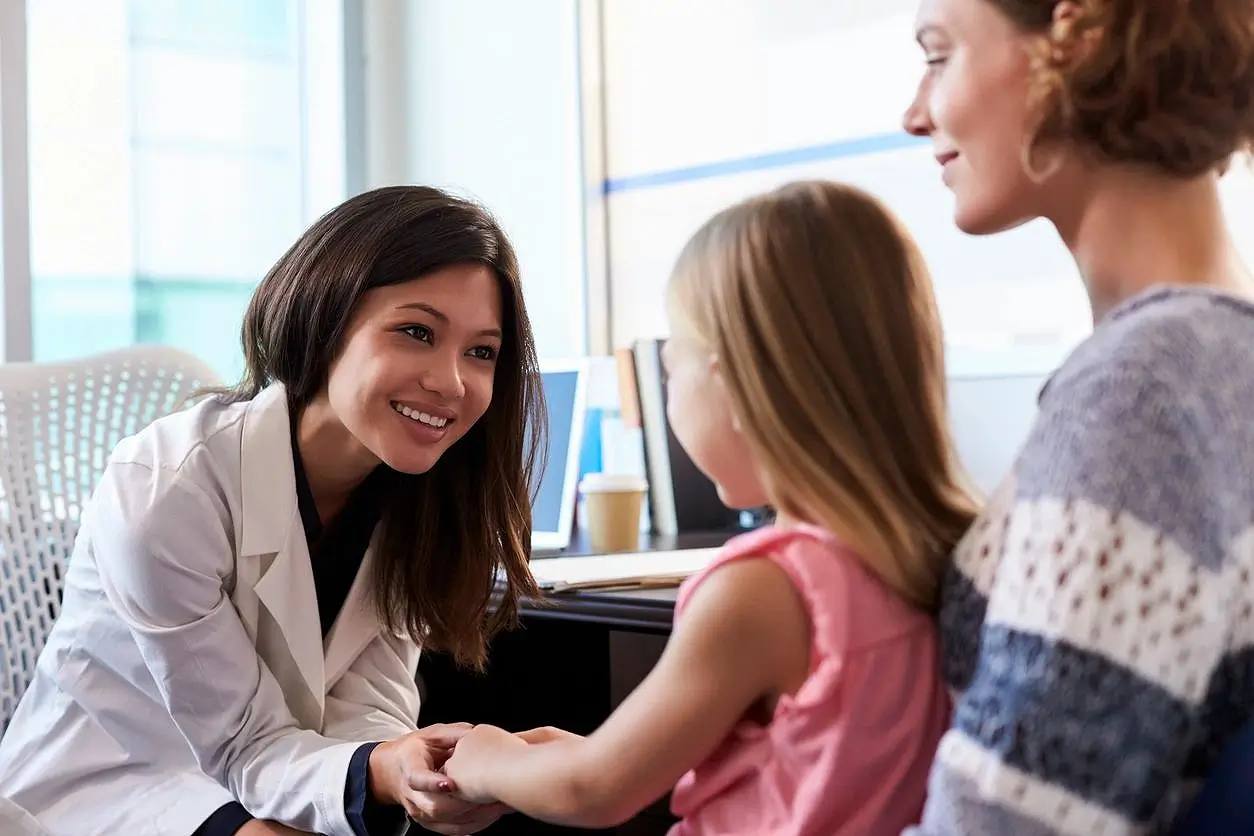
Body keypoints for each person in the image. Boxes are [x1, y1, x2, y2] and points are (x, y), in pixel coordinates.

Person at [0, 185, 547, 836]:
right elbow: (241, 742)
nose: (451, 381)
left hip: (269, 773)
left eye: (480, 352)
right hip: (108, 784)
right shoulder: (169, 490)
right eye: (416, 332)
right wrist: (380, 771)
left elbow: (368, 705)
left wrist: (408, 765)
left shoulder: (416, 497)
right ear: (327, 318)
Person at [438, 180, 979, 834]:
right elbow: (801, 762)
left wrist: (484, 757)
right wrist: (589, 752)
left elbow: (593, 791)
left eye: (672, 367)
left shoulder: (763, 588)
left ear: (731, 381)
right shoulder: (940, 548)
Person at [902, 0, 1254, 833]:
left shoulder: (1140, 393)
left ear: (1078, 44)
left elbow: (1006, 823)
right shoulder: (1209, 358)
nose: (914, 114)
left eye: (939, 56)